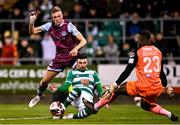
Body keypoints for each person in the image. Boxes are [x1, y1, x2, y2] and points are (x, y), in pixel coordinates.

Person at [83, 30, 179, 122]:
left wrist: (114, 84)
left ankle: (95, 107)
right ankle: (170, 114)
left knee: (118, 89)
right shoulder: (158, 51)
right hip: (156, 88)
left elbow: (127, 71)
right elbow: (162, 73)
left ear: (141, 39)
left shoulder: (137, 52)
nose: (137, 40)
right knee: (147, 105)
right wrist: (166, 87)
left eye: (138, 38)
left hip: (143, 87)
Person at [28, 6, 87, 107]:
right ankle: (39, 95)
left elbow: (83, 41)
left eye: (59, 16)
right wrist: (32, 22)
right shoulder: (49, 26)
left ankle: (85, 100)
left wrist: (75, 49)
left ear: (62, 16)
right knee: (44, 81)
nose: (57, 18)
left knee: (83, 76)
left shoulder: (69, 26)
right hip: (59, 58)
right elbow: (32, 32)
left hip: (71, 57)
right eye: (55, 17)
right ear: (52, 18)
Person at [49, 54, 104, 119]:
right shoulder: (72, 73)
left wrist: (103, 98)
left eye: (84, 62)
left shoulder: (93, 73)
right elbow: (66, 86)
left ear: (87, 62)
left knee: (91, 111)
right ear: (77, 63)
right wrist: (57, 89)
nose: (82, 65)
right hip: (75, 97)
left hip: (87, 100)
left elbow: (99, 88)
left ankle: (68, 117)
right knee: (75, 90)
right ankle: (62, 108)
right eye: (80, 63)